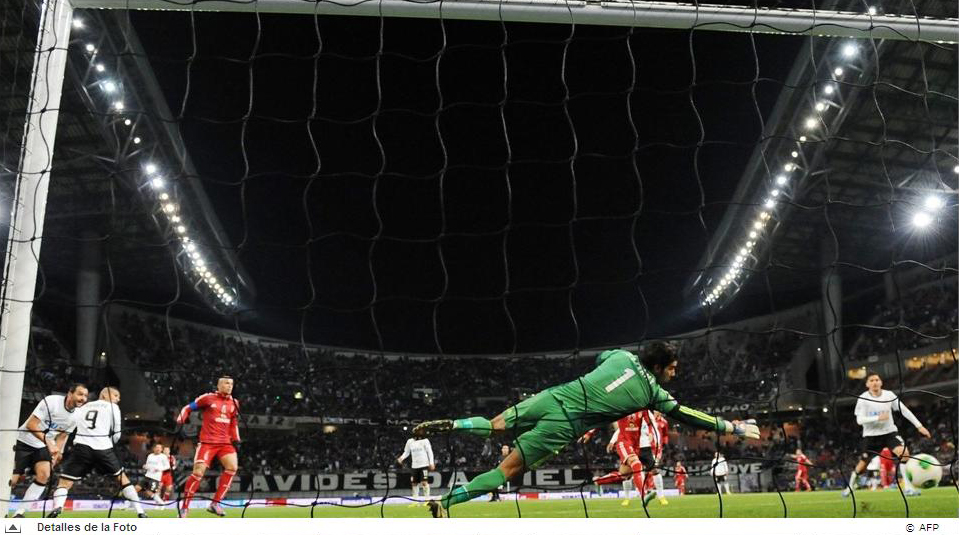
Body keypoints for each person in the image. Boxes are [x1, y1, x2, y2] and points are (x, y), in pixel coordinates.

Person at [413, 342, 760, 517]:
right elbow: (691, 416)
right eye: (671, 368)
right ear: (657, 367)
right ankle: (444, 503)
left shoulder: (621, 356)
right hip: (565, 425)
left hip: (552, 396)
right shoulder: (654, 394)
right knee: (504, 471)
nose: (674, 374)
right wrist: (735, 427)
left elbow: (599, 360)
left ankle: (453, 424)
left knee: (493, 425)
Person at [47, 387, 147, 518]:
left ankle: (57, 508)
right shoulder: (113, 407)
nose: (118, 399)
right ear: (105, 395)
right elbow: (116, 434)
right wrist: (109, 445)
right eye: (116, 395)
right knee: (123, 480)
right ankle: (141, 512)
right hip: (103, 448)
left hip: (82, 447)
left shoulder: (84, 406)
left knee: (64, 483)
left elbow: (70, 427)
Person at [843, 371, 931, 497]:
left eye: (877, 380)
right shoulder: (863, 399)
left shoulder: (889, 395)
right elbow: (859, 420)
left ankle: (908, 488)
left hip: (889, 432)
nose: (875, 382)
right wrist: (878, 418)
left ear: (881, 382)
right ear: (867, 384)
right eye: (872, 380)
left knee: (904, 454)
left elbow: (904, 410)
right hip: (871, 436)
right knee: (862, 466)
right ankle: (850, 487)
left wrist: (919, 426)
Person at [8, 384, 88, 518]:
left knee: (44, 474)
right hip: (23, 441)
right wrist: (49, 443)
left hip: (42, 446)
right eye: (80, 394)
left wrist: (57, 454)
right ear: (70, 393)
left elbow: (63, 436)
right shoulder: (52, 401)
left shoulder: (77, 415)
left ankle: (19, 514)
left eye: (85, 396)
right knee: (12, 481)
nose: (83, 398)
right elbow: (31, 425)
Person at [175, 376, 241, 517]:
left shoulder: (234, 403)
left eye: (231, 384)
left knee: (232, 468)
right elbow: (187, 407)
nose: (229, 386)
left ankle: (215, 504)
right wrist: (180, 419)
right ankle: (185, 508)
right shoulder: (207, 398)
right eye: (226, 383)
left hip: (225, 443)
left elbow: (233, 423)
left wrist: (236, 439)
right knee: (198, 473)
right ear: (219, 385)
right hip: (208, 442)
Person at [396, 437, 435, 505]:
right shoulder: (410, 441)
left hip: (424, 464)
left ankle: (427, 500)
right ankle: (415, 501)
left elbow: (430, 452)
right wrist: (401, 458)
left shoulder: (425, 440)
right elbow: (407, 452)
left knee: (424, 482)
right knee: (414, 483)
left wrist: (431, 463)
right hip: (414, 466)